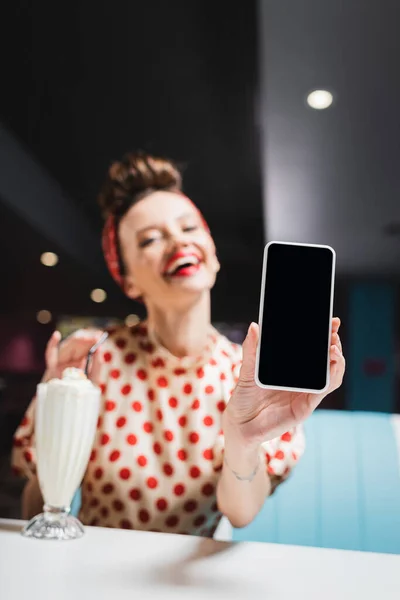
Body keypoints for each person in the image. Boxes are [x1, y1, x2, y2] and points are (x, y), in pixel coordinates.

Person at [12, 152, 345, 536]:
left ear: (213, 255)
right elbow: (33, 513)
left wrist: (244, 438)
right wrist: (56, 415)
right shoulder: (93, 363)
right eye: (150, 238)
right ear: (128, 279)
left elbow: (240, 513)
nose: (176, 241)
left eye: (188, 228)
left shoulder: (251, 378)